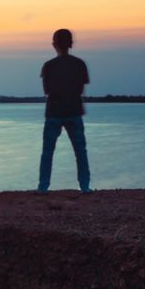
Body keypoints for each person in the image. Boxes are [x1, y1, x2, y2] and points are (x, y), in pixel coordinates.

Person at [37, 29, 91, 193]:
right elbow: (81, 89)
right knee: (80, 151)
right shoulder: (79, 64)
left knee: (47, 152)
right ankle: (85, 187)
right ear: (71, 44)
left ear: (54, 45)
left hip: (54, 112)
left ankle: (43, 187)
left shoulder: (48, 66)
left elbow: (46, 90)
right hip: (74, 111)